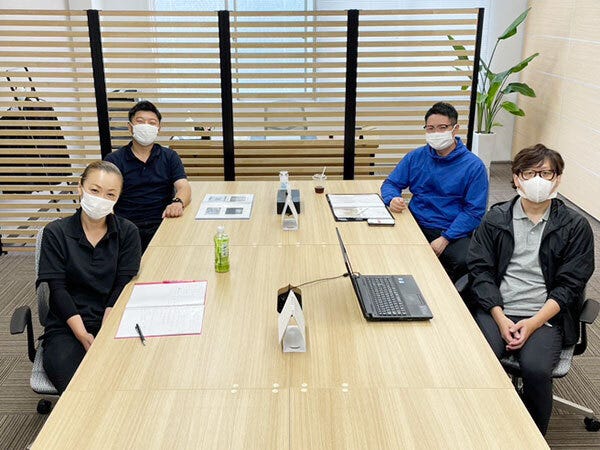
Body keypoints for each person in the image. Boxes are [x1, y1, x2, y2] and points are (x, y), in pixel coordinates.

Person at [467, 144, 594, 434]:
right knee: (480, 363)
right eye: (529, 172)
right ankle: (480, 430)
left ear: (557, 179)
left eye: (545, 173)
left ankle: (532, 437)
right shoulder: (495, 219)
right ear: (516, 177)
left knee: (536, 369)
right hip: (496, 308)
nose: (538, 179)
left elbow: (571, 284)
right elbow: (480, 271)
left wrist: (533, 322)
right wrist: (501, 318)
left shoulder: (575, 226)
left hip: (545, 315)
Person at [38, 161, 141, 394]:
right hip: (68, 325)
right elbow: (58, 289)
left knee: (129, 382)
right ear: (80, 187)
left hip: (113, 319)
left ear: (118, 198)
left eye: (110, 194)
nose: (101, 199)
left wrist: (107, 330)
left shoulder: (128, 232)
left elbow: (121, 286)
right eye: (95, 190)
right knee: (79, 390)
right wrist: (82, 334)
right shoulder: (56, 233)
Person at [381, 102, 488, 282]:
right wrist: (392, 199)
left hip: (451, 228)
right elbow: (391, 183)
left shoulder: (474, 166)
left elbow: (474, 211)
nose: (436, 133)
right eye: (430, 128)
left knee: (464, 261)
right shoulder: (416, 157)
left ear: (455, 129)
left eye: (442, 127)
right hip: (415, 222)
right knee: (384, 247)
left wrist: (445, 238)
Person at [105, 100, 191, 251]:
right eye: (140, 121)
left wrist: (177, 202)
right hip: (127, 226)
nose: (146, 126)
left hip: (163, 221)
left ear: (158, 128)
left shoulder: (169, 156)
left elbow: (184, 187)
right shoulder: (114, 160)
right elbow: (105, 196)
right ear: (130, 127)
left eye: (152, 123)